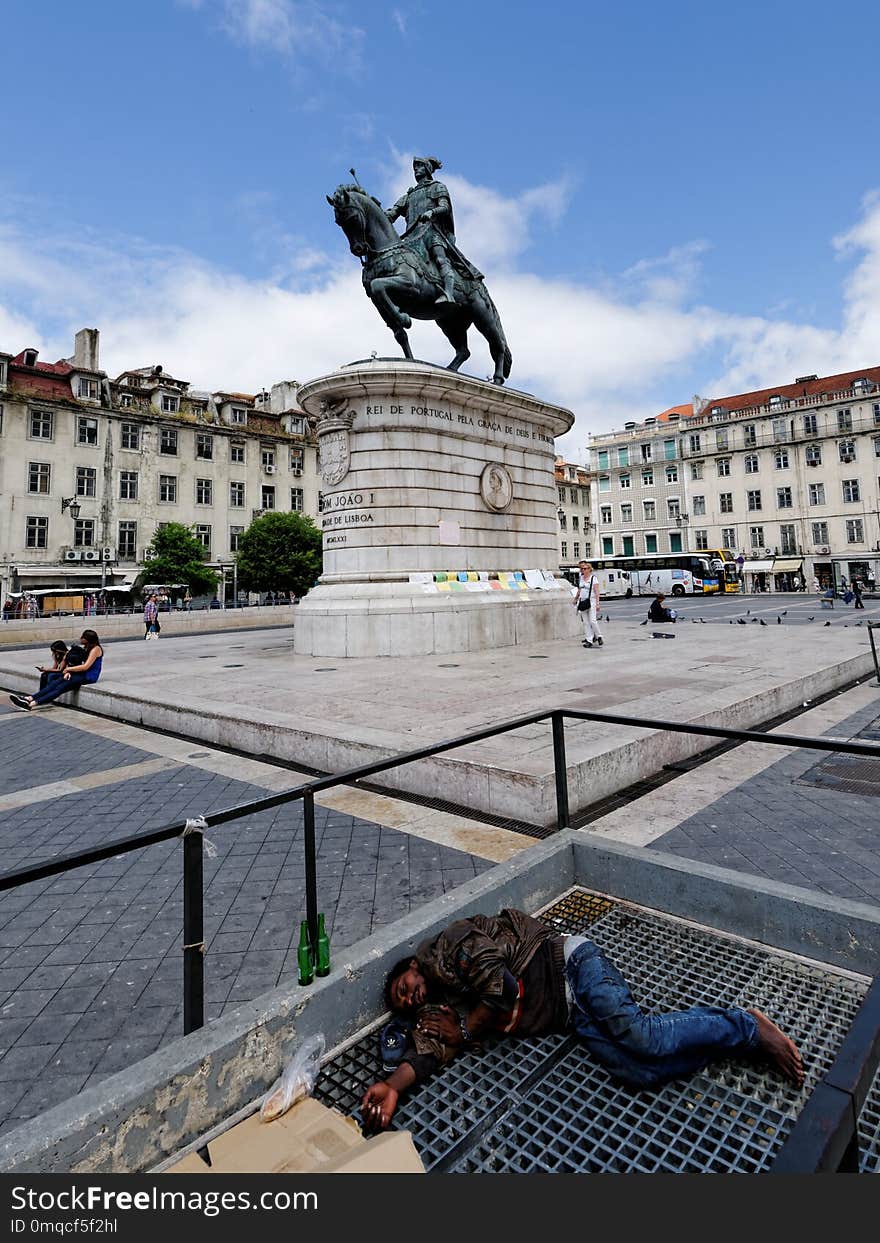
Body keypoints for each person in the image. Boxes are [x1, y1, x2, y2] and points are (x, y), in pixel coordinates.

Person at [361, 908, 804, 1130]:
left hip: (570, 964)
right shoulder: (442, 1007)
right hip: (570, 1014)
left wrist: (464, 1029)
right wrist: (392, 1088)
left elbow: (502, 985)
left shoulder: (449, 947)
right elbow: (427, 1054)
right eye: (407, 1004)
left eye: (405, 987)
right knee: (638, 1071)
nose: (412, 997)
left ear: (413, 968)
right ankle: (736, 1041)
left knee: (643, 1037)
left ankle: (746, 1024)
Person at [385, 156, 484, 309]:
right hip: (412, 237)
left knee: (440, 258)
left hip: (431, 231)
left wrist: (432, 212)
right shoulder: (408, 196)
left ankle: (449, 292)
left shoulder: (437, 187)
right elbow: (393, 214)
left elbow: (445, 207)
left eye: (419, 167)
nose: (416, 170)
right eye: (415, 168)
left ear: (427, 169)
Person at [10, 630, 103, 711]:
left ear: (88, 639)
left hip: (88, 676)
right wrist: (70, 672)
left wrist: (68, 669)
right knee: (56, 683)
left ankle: (30, 704)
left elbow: (85, 667)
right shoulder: (87, 648)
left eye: (82, 637)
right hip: (80, 673)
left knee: (60, 687)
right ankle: (29, 698)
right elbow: (79, 663)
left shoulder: (96, 649)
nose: (80, 638)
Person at [573, 560, 603, 649]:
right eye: (582, 569)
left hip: (592, 601)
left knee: (593, 620)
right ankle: (589, 640)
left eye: (585, 568)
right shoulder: (581, 578)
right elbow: (579, 589)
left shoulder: (593, 578)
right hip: (583, 601)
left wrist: (598, 603)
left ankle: (599, 636)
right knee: (585, 622)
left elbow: (597, 592)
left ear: (589, 569)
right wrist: (576, 599)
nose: (583, 570)